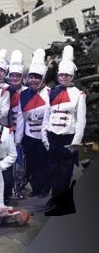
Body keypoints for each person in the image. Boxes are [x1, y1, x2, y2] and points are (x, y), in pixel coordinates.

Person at [41, 45, 87, 211]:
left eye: (67, 75)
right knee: (53, 169)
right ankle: (54, 198)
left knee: (65, 171)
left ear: (71, 76)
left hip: (68, 137)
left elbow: (81, 121)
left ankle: (61, 200)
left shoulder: (78, 94)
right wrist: (45, 137)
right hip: (53, 136)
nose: (63, 78)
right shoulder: (52, 92)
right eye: (61, 75)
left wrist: (76, 142)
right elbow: (47, 115)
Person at [15, 49, 50, 198]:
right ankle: (35, 188)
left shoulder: (50, 93)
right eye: (31, 77)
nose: (34, 80)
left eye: (37, 77)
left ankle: (45, 188)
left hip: (44, 135)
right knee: (32, 163)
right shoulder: (23, 94)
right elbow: (20, 117)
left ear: (43, 79)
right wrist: (18, 140)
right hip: (29, 135)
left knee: (44, 163)